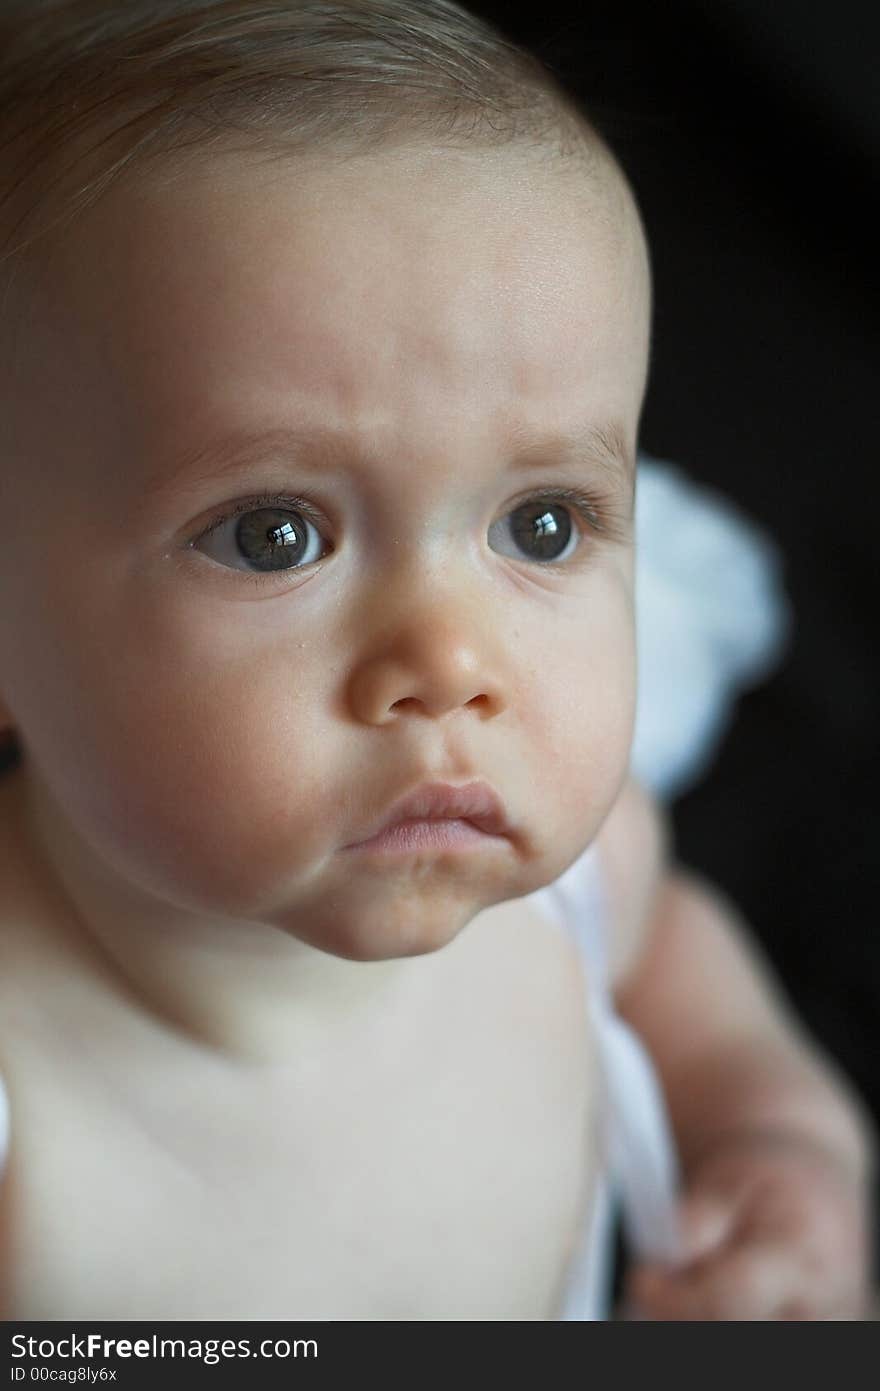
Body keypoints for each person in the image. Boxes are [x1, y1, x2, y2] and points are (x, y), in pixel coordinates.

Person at [0, 0, 873, 1321]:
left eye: (544, 523)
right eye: (274, 533)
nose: (453, 662)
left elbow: (672, 962)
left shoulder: (575, 890)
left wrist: (777, 1142)